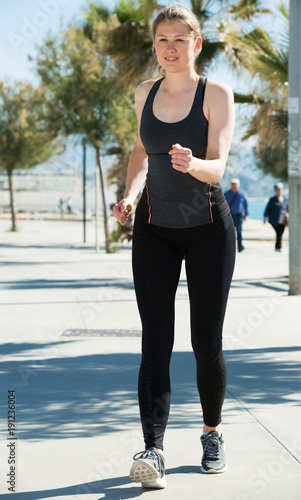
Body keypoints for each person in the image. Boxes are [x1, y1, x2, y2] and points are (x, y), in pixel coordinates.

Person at [113, 4, 235, 488]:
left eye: (179, 39)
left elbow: (219, 166)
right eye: (162, 39)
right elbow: (141, 150)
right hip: (154, 229)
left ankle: (211, 432)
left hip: (208, 228)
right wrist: (129, 193)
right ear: (155, 45)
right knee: (155, 341)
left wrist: (193, 163)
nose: (170, 47)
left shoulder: (216, 94)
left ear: (196, 44)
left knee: (205, 342)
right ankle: (153, 449)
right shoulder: (145, 92)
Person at [224, 178, 248, 252]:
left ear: (238, 185)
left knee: (239, 231)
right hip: (229, 215)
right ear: (231, 185)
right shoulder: (226, 194)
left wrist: (246, 214)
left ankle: (240, 246)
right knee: (229, 232)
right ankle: (230, 246)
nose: (234, 186)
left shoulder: (242, 194)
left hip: (239, 215)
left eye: (236, 184)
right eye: (233, 184)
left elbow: (245, 204)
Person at [263, 182, 288, 252]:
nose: (279, 191)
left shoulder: (285, 200)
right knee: (279, 232)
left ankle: (278, 247)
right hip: (274, 220)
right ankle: (278, 247)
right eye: (278, 190)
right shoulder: (272, 199)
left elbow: (288, 209)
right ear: (275, 191)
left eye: (280, 190)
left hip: (283, 220)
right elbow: (268, 208)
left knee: (280, 233)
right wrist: (265, 217)